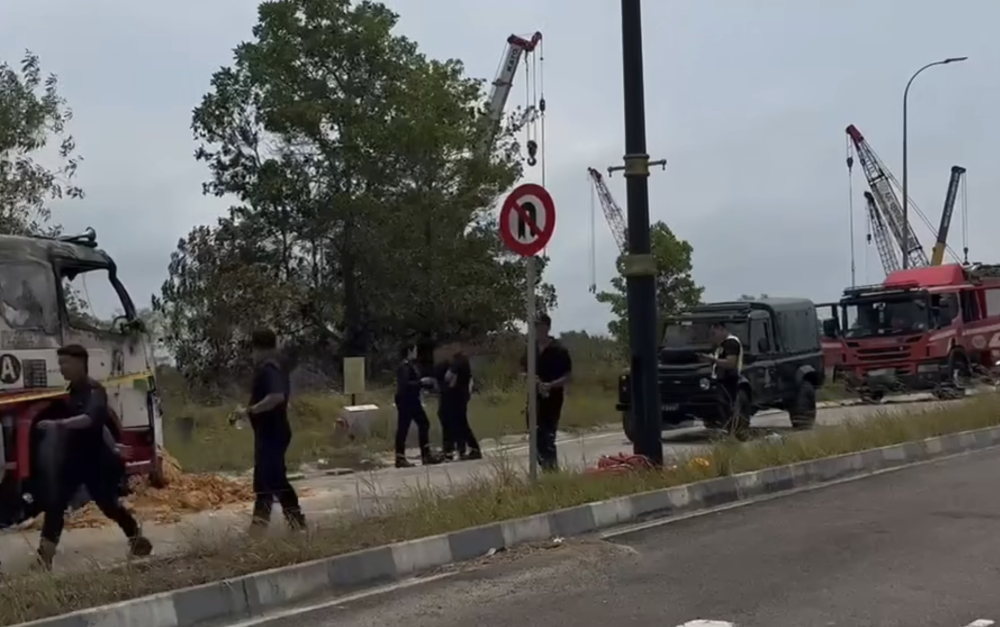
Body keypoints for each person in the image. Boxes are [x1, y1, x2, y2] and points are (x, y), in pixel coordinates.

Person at [33, 344, 152, 569]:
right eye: (60, 364)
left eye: (65, 363)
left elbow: (90, 420)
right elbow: (102, 427)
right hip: (73, 460)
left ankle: (136, 538)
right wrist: (114, 444)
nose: (62, 368)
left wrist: (59, 424)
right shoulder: (72, 392)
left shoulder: (95, 391)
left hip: (96, 461)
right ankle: (44, 557)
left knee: (108, 505)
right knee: (55, 503)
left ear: (80, 363)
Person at [235, 328, 306, 533]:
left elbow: (276, 397)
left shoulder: (269, 367)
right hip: (270, 431)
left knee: (274, 478)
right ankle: (259, 528)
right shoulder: (278, 365)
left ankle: (296, 521)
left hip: (272, 432)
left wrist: (249, 411)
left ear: (257, 348)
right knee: (265, 480)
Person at [522, 314, 572, 471]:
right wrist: (531, 379)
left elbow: (568, 376)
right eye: (535, 326)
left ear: (547, 327)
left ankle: (552, 470)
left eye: (540, 326)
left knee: (548, 435)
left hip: (553, 397)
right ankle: (544, 466)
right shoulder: (531, 348)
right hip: (534, 397)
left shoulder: (559, 350)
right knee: (535, 434)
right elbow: (522, 370)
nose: (537, 329)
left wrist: (550, 385)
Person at [395, 343, 442, 468]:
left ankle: (424, 454)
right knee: (405, 428)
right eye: (414, 349)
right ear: (410, 351)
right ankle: (402, 457)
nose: (416, 352)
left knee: (422, 424)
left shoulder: (410, 365)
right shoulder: (404, 366)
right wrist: (421, 382)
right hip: (407, 400)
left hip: (412, 399)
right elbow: (406, 384)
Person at [435, 348, 481, 461]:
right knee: (455, 423)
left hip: (456, 397)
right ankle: (457, 449)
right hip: (458, 397)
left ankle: (463, 449)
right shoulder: (459, 361)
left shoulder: (459, 361)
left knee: (458, 423)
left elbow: (449, 377)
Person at [700, 322, 744, 432]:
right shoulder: (723, 345)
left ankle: (732, 430)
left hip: (729, 379)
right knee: (723, 407)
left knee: (727, 406)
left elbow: (731, 363)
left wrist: (713, 360)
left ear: (721, 329)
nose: (713, 336)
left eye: (714, 333)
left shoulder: (731, 343)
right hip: (722, 379)